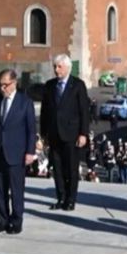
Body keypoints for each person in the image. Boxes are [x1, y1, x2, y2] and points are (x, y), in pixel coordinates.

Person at [0, 69, 36, 235]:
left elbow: (31, 129)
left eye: (5, 85)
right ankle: (3, 220)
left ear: (14, 83)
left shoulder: (25, 102)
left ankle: (16, 221)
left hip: (16, 153)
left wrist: (30, 151)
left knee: (16, 189)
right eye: (0, 85)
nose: (2, 88)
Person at [40, 53, 90, 211]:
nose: (56, 70)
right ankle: (60, 197)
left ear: (68, 68)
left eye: (59, 67)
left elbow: (84, 111)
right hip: (54, 134)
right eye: (55, 66)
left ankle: (70, 199)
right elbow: (45, 111)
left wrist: (83, 133)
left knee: (71, 168)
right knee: (57, 168)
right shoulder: (49, 85)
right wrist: (43, 133)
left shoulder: (77, 85)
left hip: (71, 134)